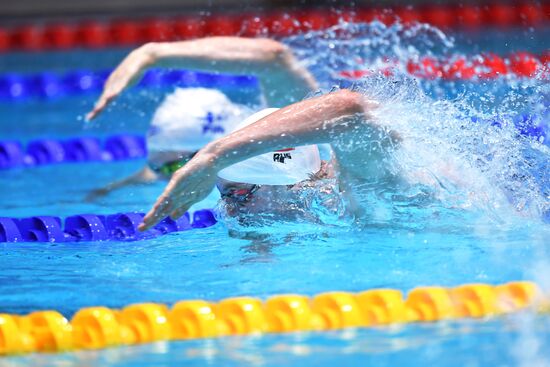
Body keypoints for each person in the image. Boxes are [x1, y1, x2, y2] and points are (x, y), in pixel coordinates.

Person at [86, 37, 319, 199]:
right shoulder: (161, 174)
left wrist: (155, 54)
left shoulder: (298, 143)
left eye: (176, 167)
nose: (166, 178)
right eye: (157, 165)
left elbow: (276, 59)